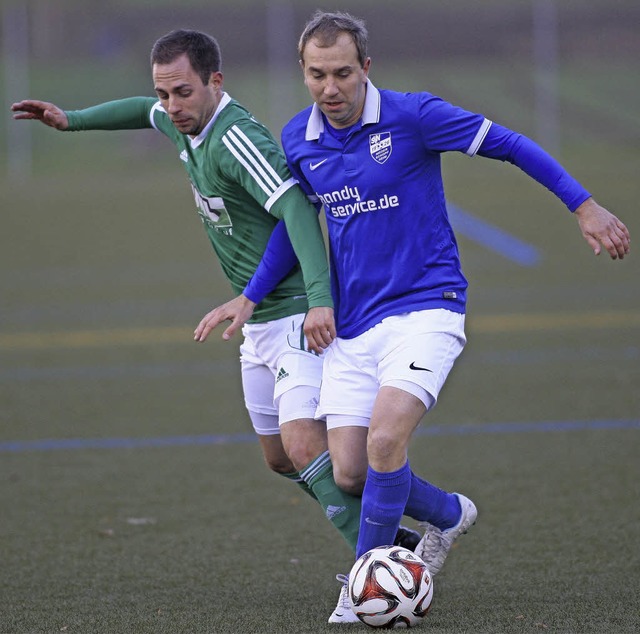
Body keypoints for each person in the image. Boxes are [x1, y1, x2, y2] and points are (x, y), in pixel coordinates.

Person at [223, 10, 630, 624]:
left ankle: (362, 586)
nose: (329, 89)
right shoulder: (298, 139)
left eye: (340, 73)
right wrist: (253, 295)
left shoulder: (413, 116)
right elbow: (295, 226)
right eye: (315, 75)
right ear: (302, 73)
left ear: (366, 68)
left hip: (426, 308)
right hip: (353, 326)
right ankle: (447, 514)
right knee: (351, 471)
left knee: (386, 439)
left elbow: (511, 144)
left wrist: (585, 205)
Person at [10, 29, 375, 556]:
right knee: (279, 458)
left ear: (214, 81)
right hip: (257, 319)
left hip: (294, 311)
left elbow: (296, 208)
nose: (170, 105)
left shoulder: (234, 138)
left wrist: (319, 299)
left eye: (182, 91)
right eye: (164, 93)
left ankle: (379, 559)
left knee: (304, 447)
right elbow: (142, 110)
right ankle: (421, 520)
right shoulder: (182, 121)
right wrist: (72, 120)